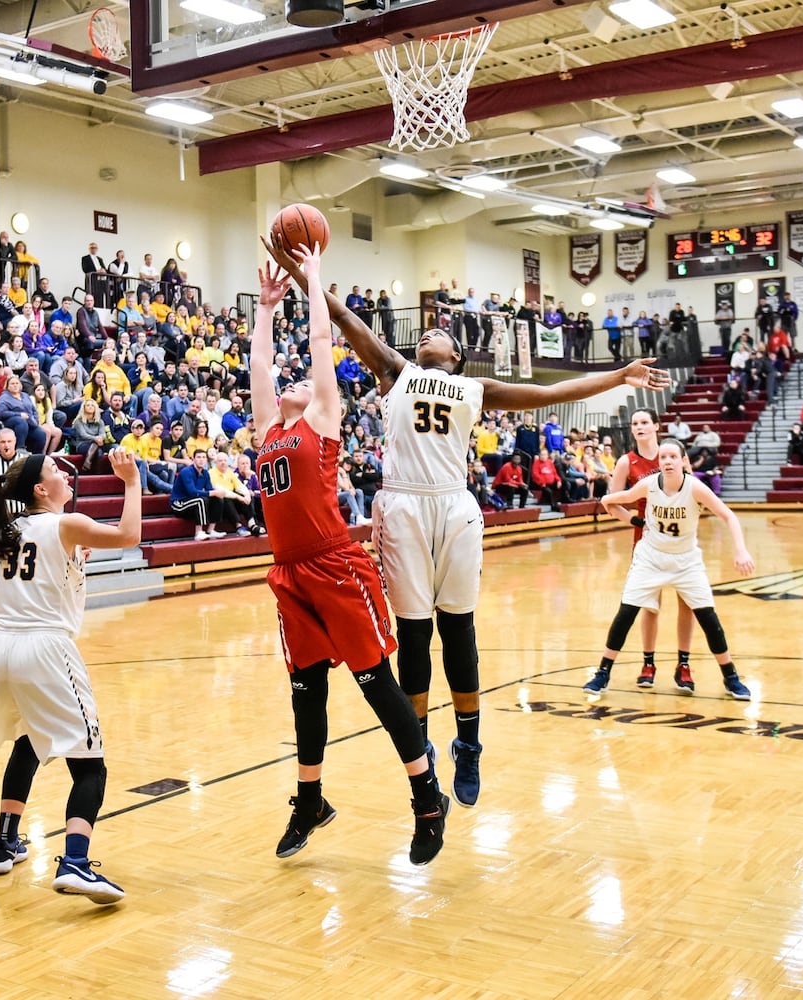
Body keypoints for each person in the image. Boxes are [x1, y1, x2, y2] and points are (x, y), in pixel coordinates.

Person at [265, 233, 670, 808]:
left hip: (454, 506)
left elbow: (551, 390)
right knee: (414, 633)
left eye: (441, 335)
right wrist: (302, 269)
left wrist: (615, 376)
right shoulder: (394, 369)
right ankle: (422, 744)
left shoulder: (477, 388)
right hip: (403, 504)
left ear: (456, 357)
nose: (430, 333)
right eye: (425, 331)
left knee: (459, 628)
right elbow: (341, 315)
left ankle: (470, 743)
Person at [250, 253, 447, 864]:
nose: (291, 381)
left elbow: (315, 342)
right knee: (305, 693)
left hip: (335, 564)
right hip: (289, 575)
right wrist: (263, 309)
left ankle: (427, 799)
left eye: (303, 381)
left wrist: (312, 285)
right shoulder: (267, 433)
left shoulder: (322, 419)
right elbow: (260, 365)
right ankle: (309, 800)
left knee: (374, 685)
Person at [0, 449, 141, 903]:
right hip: (43, 648)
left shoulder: (9, 528)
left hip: (1, 646)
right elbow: (129, 535)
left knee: (29, 740)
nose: (65, 473)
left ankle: (5, 841)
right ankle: (76, 863)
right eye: (54, 471)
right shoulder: (65, 524)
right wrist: (131, 481)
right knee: (91, 765)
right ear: (41, 490)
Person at [593, 439, 756, 698]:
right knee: (627, 611)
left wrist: (741, 549)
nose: (667, 461)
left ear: (682, 461)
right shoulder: (649, 484)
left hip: (686, 561)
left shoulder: (695, 488)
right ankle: (602, 673)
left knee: (708, 617)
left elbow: (728, 515)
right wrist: (633, 519)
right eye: (663, 457)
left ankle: (730, 677)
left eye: (672, 457)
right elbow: (609, 501)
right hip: (650, 558)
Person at [583, 410, 706, 696]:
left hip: (680, 537)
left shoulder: (673, 455)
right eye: (635, 424)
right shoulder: (627, 461)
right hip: (647, 540)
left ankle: (683, 665)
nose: (639, 427)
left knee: (686, 602)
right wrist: (636, 521)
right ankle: (648, 664)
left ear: (656, 426)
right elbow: (612, 503)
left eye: (644, 423)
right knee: (649, 604)